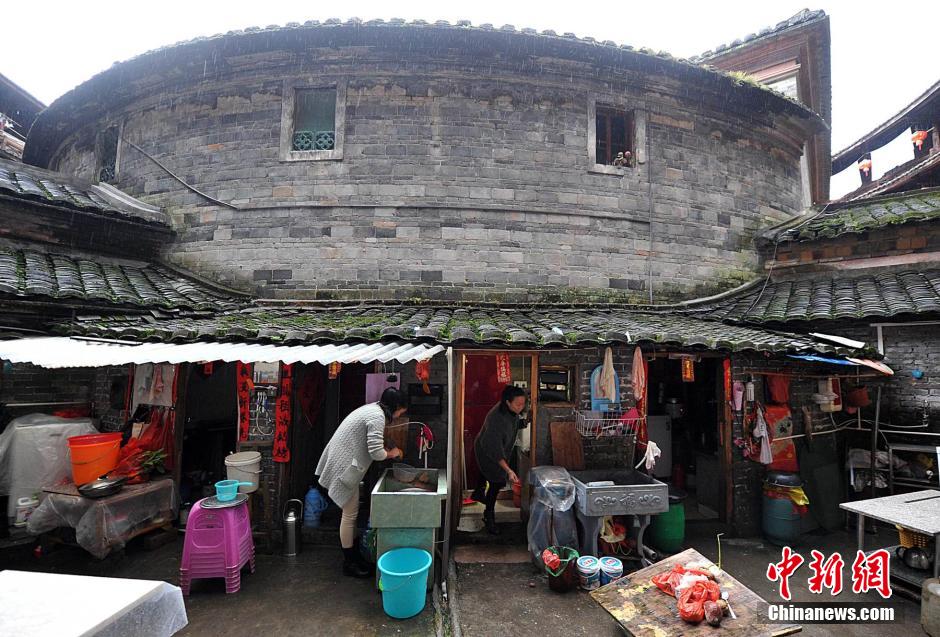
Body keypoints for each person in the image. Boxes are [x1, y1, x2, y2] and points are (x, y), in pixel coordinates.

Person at [315, 387, 407, 577]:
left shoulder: (373, 409)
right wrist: (394, 453)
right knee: (349, 515)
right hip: (344, 467)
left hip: (344, 463)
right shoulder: (377, 417)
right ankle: (349, 562)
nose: (399, 416)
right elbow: (376, 453)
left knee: (351, 513)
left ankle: (355, 556)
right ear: (395, 407)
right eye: (400, 411)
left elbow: (371, 440)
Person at [472, 385, 525, 534]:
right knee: (496, 483)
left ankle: (478, 492)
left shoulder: (509, 410)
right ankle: (489, 517)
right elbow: (495, 450)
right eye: (518, 404)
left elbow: (513, 423)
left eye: (523, 404)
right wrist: (508, 470)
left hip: (491, 446)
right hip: (486, 450)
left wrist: (524, 422)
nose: (521, 407)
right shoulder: (497, 418)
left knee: (492, 475)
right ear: (508, 402)